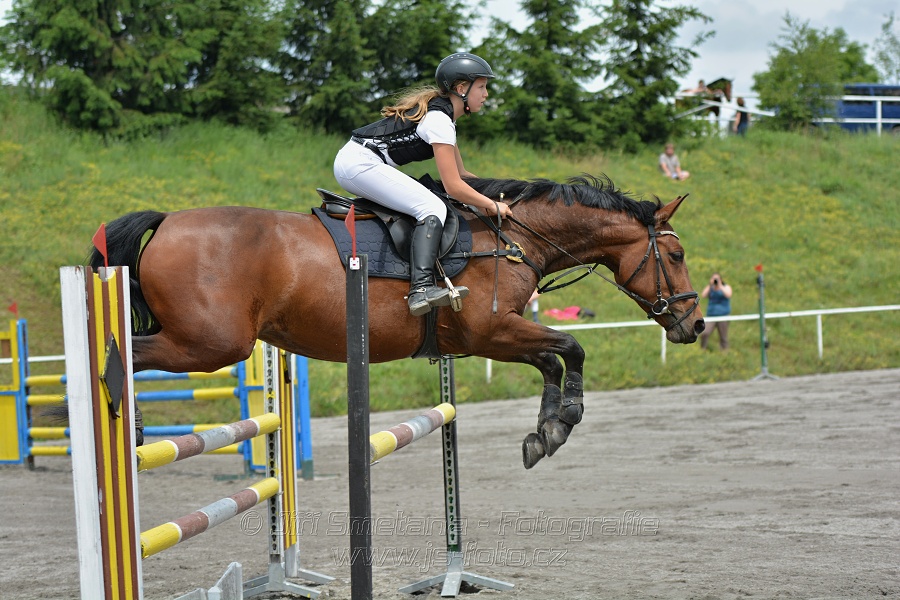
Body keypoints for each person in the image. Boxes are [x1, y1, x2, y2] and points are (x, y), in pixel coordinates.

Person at [334, 52, 512, 317]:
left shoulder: (445, 118)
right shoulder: (439, 121)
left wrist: (501, 195)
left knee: (432, 203)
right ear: (461, 89)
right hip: (359, 165)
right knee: (432, 207)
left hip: (360, 162)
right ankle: (421, 289)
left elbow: (462, 175)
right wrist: (490, 205)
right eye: (482, 87)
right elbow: (453, 186)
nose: (486, 94)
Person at [700, 273, 733, 350]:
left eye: (717, 279)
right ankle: (702, 349)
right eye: (713, 278)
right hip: (711, 315)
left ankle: (724, 351)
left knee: (723, 336)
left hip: (723, 316)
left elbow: (728, 295)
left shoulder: (726, 287)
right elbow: (703, 295)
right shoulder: (711, 288)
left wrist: (720, 285)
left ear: (721, 280)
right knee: (705, 333)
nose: (715, 280)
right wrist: (710, 285)